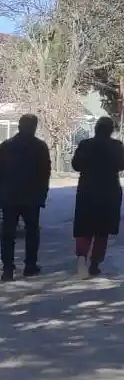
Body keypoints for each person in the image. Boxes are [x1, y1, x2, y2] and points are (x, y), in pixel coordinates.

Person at [0, 114, 51, 282]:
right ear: (34, 127)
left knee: (8, 233)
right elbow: (45, 173)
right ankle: (30, 266)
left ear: (18, 126)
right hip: (31, 197)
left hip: (9, 197)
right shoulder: (40, 147)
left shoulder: (6, 146)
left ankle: (8, 268)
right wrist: (42, 194)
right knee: (32, 231)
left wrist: (0, 190)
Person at [72, 116, 124, 278]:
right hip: (109, 191)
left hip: (87, 190)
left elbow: (75, 165)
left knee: (84, 227)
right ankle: (95, 264)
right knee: (103, 230)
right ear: (111, 130)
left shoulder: (85, 144)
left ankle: (81, 259)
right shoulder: (117, 146)